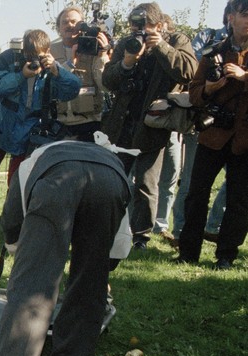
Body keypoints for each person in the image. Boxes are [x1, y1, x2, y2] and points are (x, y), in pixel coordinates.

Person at [0, 140, 131, 356]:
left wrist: (20, 249)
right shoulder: (108, 157)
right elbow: (119, 241)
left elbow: (12, 220)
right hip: (112, 182)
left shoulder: (30, 162)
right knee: (91, 280)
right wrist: (102, 266)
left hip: (59, 182)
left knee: (34, 285)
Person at [0, 30, 81, 230]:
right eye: (28, 55)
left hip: (29, 132)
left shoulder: (51, 67)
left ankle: (11, 223)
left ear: (47, 52)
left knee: (16, 181)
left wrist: (57, 70)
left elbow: (73, 89)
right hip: (1, 127)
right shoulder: (9, 59)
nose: (32, 60)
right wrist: (22, 75)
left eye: (37, 56)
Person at [101, 2, 197, 250]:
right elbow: (108, 79)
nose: (139, 31)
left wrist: (162, 47)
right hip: (121, 123)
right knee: (114, 178)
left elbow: (189, 72)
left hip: (152, 125)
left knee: (145, 183)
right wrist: (127, 62)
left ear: (159, 25)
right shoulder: (127, 43)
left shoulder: (176, 40)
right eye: (135, 26)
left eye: (144, 26)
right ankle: (108, 227)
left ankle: (140, 237)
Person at [177, 0, 248, 270]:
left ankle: (226, 256)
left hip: (244, 139)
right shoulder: (214, 52)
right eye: (244, 14)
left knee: (239, 200)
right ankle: (188, 252)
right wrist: (208, 88)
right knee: (196, 194)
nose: (247, 20)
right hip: (214, 132)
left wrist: (243, 77)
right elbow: (193, 92)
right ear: (230, 17)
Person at [171, 4, 233, 247]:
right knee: (192, 183)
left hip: (239, 125)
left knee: (236, 185)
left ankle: (214, 226)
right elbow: (193, 72)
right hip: (205, 118)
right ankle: (181, 234)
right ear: (230, 15)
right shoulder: (208, 37)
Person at [51, 4, 111, 141]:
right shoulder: (50, 51)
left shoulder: (94, 49)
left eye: (74, 22)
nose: (69, 25)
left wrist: (102, 55)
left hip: (90, 123)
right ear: (59, 28)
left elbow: (105, 86)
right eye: (64, 22)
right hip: (59, 124)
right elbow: (48, 84)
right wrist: (70, 63)